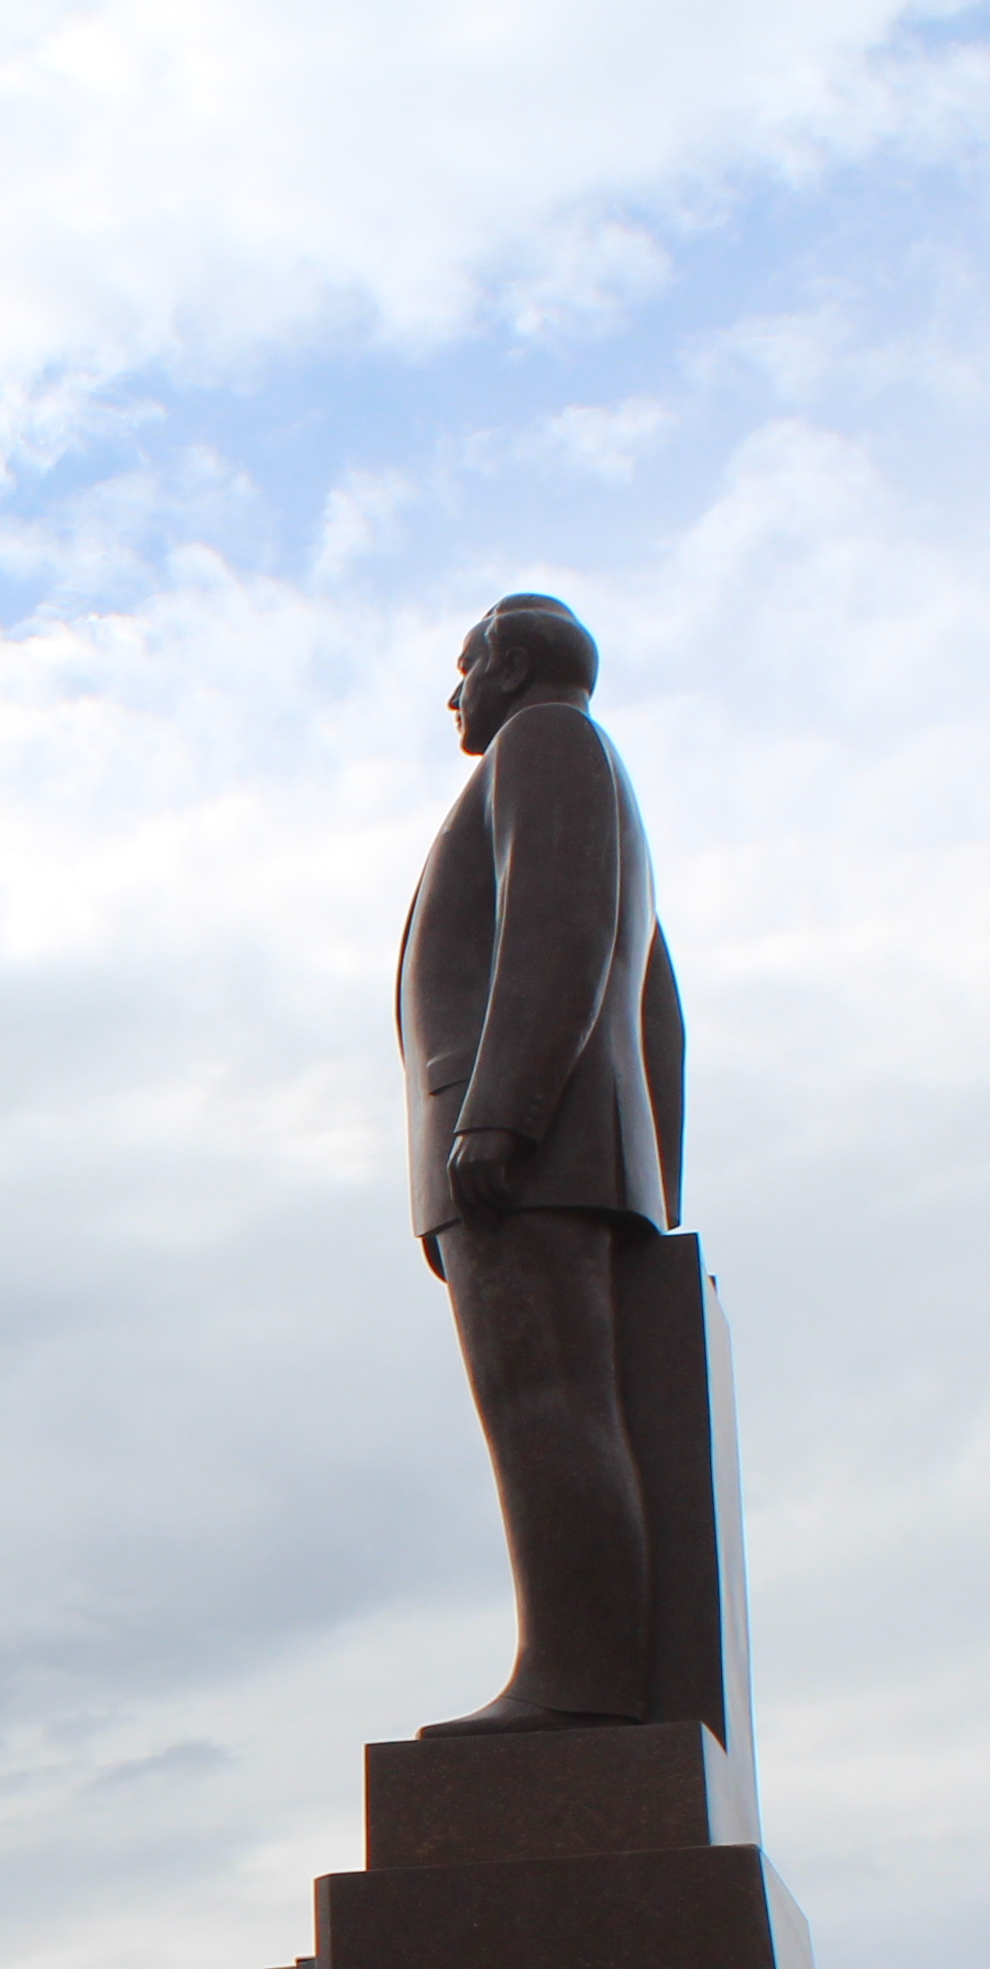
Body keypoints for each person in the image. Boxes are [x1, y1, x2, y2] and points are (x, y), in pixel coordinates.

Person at [393, 589, 685, 1737]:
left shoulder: (545, 743)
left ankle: (577, 1678)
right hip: (575, 1144)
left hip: (535, 1144)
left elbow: (559, 922)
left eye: (465, 665)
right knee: (547, 1406)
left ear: (509, 666)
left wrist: (500, 1115)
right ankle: (578, 1668)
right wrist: (653, 1162)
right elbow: (658, 1001)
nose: (454, 690)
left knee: (546, 1405)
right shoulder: (581, 766)